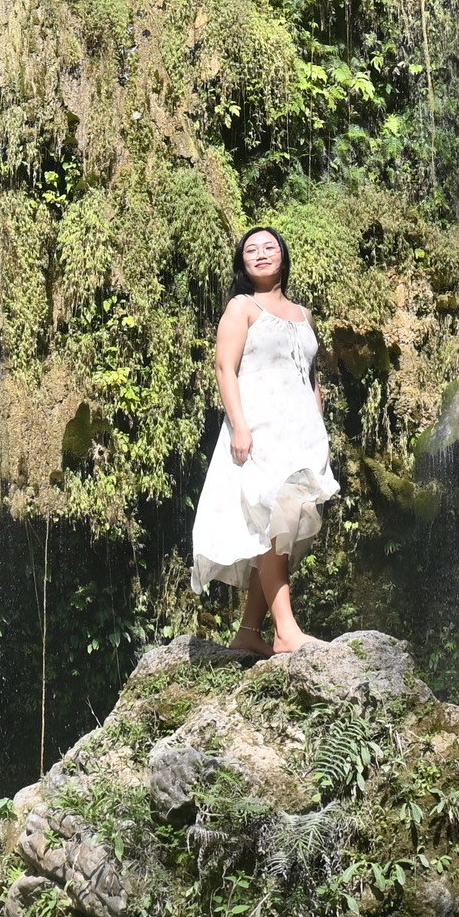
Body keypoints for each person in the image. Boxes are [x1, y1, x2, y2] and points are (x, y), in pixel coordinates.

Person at [189, 226, 339, 654]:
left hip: (300, 435)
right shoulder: (242, 307)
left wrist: (319, 427)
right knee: (273, 525)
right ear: (243, 263)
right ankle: (286, 631)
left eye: (269, 247)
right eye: (251, 250)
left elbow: (310, 379)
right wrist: (239, 425)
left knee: (281, 529)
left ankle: (248, 633)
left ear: (283, 256)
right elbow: (224, 368)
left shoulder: (304, 314)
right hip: (260, 431)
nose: (261, 254)